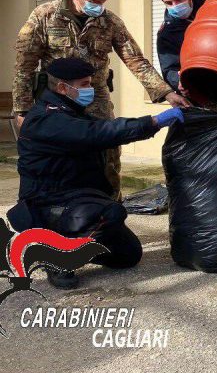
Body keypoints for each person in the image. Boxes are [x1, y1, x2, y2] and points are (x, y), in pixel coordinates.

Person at [12, 0, 190, 201]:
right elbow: (24, 66)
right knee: (59, 163)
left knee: (108, 160)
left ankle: (109, 212)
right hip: (58, 104)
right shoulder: (44, 16)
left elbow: (135, 59)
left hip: (95, 100)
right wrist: (22, 110)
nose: (98, 5)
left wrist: (166, 92)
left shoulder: (110, 22)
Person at [8, 58, 184, 289]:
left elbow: (97, 130)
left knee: (128, 256)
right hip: (49, 203)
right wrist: (154, 122)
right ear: (63, 88)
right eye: (84, 84)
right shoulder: (46, 119)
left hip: (77, 198)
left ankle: (77, 245)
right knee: (110, 213)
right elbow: (99, 132)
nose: (89, 90)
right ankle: (55, 254)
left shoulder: (70, 110)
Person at [155, 0, 208, 92]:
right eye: (169, 3)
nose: (175, 6)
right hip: (201, 89)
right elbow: (169, 71)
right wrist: (178, 79)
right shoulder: (166, 34)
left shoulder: (212, 4)